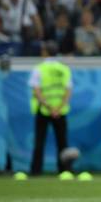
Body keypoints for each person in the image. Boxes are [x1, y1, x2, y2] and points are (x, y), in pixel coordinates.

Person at [29, 45, 72, 175]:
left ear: (45, 52)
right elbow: (68, 91)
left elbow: (37, 91)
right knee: (62, 142)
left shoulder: (39, 69)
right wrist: (58, 108)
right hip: (60, 111)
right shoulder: (64, 69)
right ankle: (65, 170)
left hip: (43, 110)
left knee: (39, 142)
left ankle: (36, 171)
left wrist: (49, 107)